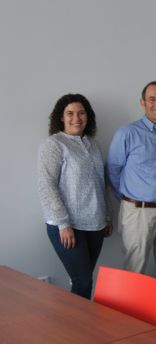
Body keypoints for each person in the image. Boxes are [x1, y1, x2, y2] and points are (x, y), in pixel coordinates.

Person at [107, 81, 156, 334]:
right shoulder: (126, 133)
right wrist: (131, 199)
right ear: (142, 102)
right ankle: (133, 320)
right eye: (152, 99)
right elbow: (113, 170)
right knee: (135, 269)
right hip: (136, 211)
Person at [37, 94, 112, 299]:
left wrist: (107, 216)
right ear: (61, 117)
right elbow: (46, 185)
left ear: (88, 116)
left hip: (95, 224)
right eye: (70, 113)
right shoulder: (54, 144)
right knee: (83, 281)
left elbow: (100, 182)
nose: (76, 118)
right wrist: (63, 223)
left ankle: (78, 325)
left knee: (84, 279)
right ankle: (76, 329)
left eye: (81, 113)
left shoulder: (93, 144)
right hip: (68, 226)